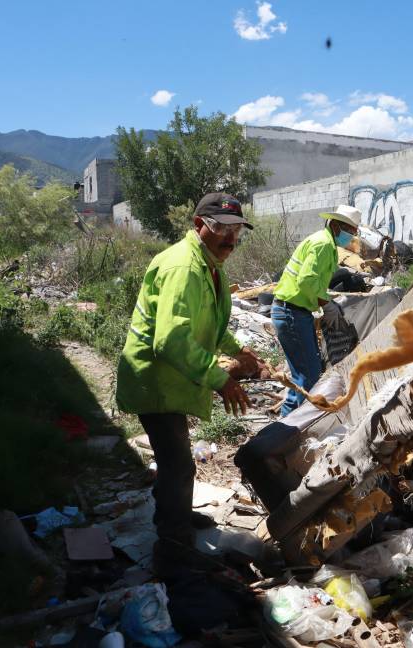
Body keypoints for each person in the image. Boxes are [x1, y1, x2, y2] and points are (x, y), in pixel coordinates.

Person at [115, 192, 265, 577]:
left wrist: (240, 350)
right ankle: (173, 546)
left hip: (173, 380)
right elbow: (172, 340)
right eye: (221, 229)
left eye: (236, 231)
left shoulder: (210, 265)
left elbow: (209, 325)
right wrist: (221, 380)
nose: (230, 240)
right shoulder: (184, 267)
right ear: (199, 225)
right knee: (179, 464)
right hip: (156, 380)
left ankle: (175, 513)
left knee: (176, 458)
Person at [271, 204, 360, 417]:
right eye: (351, 231)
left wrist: (326, 301)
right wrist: (326, 304)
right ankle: (287, 430)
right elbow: (307, 280)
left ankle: (286, 428)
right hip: (291, 312)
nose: (353, 236)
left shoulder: (327, 244)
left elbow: (315, 283)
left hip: (293, 312)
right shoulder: (322, 244)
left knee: (306, 375)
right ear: (337, 226)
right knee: (308, 377)